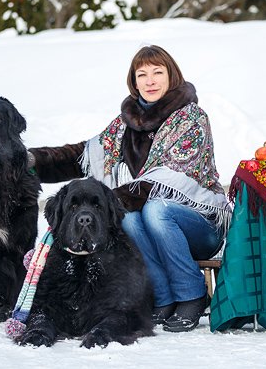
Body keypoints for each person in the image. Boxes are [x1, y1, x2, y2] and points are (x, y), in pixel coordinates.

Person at [28, 45, 232, 333]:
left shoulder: (191, 118)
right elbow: (85, 155)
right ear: (133, 81)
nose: (150, 81)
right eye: (142, 74)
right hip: (151, 219)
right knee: (133, 218)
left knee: (155, 211)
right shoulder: (128, 123)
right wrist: (32, 160)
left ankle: (192, 294)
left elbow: (162, 179)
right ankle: (162, 297)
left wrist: (107, 202)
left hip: (199, 226)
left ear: (171, 76)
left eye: (157, 73)